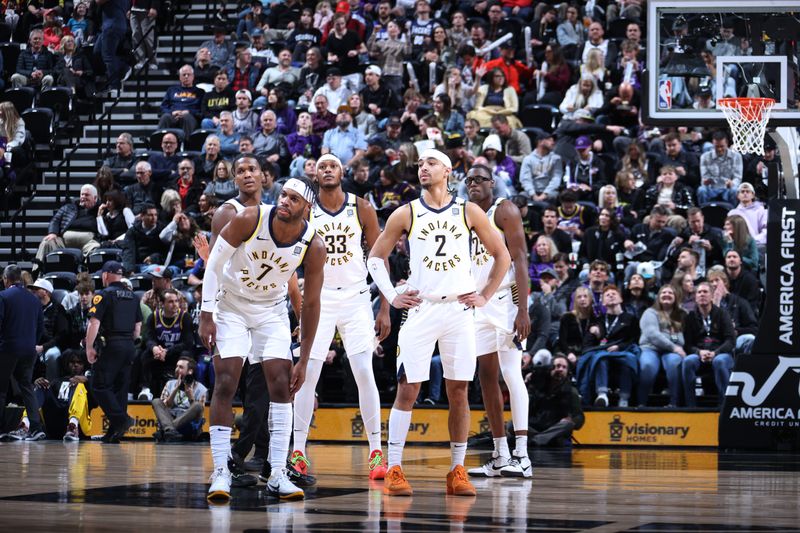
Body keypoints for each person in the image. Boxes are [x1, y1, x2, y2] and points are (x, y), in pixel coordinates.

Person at [366, 148, 511, 497]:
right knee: (408, 389)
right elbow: (375, 258)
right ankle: (395, 468)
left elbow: (502, 255)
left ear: (447, 170)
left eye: (430, 163)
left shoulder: (469, 211)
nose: (422, 168)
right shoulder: (407, 212)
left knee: (458, 391)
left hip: (459, 311)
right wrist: (392, 295)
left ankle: (457, 469)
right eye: (419, 164)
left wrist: (485, 295)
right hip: (421, 309)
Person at [199, 156, 326, 502]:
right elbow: (214, 265)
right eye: (283, 195)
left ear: (307, 208)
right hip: (232, 305)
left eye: (293, 199)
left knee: (282, 384)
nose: (284, 202)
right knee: (226, 380)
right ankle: (221, 470)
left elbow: (312, 304)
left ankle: (277, 473)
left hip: (271, 311)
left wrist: (305, 357)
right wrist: (206, 313)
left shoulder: (314, 246)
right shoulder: (250, 218)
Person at [292, 154, 391, 481]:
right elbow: (291, 259)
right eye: (321, 166)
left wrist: (386, 305)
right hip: (318, 299)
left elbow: (378, 256)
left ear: (342, 171)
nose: (327, 169)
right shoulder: (306, 210)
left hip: (356, 297)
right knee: (307, 373)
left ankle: (377, 452)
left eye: (333, 165)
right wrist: (298, 310)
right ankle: (298, 451)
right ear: (315, 174)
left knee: (364, 371)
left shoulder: (361, 206)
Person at [463, 164, 532, 479]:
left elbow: (520, 259)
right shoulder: (465, 217)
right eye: (468, 180)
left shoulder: (504, 210)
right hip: (478, 304)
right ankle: (500, 453)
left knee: (511, 373)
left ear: (492, 182)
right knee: (486, 378)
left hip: (506, 302)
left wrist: (524, 310)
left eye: (479, 179)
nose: (473, 184)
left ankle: (523, 454)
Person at [85, 260, 143, 443]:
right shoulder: (134, 297)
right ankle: (114, 432)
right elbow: (137, 328)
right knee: (120, 389)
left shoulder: (103, 295)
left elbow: (94, 323)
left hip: (112, 344)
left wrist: (89, 347)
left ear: (106, 275)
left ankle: (121, 420)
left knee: (99, 385)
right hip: (129, 346)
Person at [0, 265, 45, 441]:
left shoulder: (3, 296)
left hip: (7, 349)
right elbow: (40, 328)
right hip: (29, 349)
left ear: (6, 279)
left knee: (1, 390)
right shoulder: (34, 299)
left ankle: (1, 428)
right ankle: (36, 427)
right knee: (27, 386)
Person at [681, 282, 736, 407]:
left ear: (712, 296)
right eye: (699, 292)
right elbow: (687, 344)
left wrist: (715, 353)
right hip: (699, 355)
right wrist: (698, 352)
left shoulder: (723, 314)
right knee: (688, 361)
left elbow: (730, 340)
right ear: (695, 297)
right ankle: (690, 405)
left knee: (719, 361)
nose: (702, 295)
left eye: (705, 292)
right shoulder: (690, 317)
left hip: (721, 353)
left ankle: (725, 406)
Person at [637, 285, 686, 407]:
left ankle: (674, 403)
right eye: (663, 292)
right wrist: (673, 345)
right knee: (647, 365)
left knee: (675, 363)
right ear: (658, 297)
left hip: (671, 352)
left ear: (676, 298)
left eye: (670, 293)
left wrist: (674, 345)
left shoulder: (681, 315)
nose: (667, 294)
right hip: (650, 348)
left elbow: (682, 339)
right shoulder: (650, 312)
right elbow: (653, 335)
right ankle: (641, 403)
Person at [526, 353, 584, 446]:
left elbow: (580, 417)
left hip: (555, 428)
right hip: (536, 426)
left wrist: (572, 420)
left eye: (564, 367)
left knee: (567, 425)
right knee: (511, 425)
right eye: (557, 366)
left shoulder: (571, 391)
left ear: (567, 371)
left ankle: (537, 440)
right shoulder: (538, 385)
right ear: (550, 368)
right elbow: (527, 409)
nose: (560, 369)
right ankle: (543, 439)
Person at [36, 184, 100, 261]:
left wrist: (100, 215)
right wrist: (52, 232)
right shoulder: (68, 207)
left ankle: (90, 273)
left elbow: (104, 229)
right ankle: (38, 270)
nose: (83, 197)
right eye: (82, 194)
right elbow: (55, 220)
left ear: (95, 198)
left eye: (87, 195)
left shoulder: (100, 210)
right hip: (64, 242)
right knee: (46, 242)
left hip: (88, 243)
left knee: (96, 249)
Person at [151, 356, 208, 442]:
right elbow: (165, 406)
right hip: (171, 417)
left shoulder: (201, 388)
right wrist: (174, 390)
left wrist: (191, 398)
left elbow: (199, 413)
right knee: (156, 401)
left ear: (190, 371)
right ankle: (170, 431)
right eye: (177, 366)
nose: (177, 369)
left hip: (188, 423)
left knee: (197, 405)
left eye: (181, 367)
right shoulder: (170, 384)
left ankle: (168, 430)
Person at [29, 278, 69, 383]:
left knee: (53, 355)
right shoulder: (31, 308)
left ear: (46, 292)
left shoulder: (58, 309)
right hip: (32, 344)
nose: (33, 292)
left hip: (50, 345)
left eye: (36, 289)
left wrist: (43, 347)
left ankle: (52, 386)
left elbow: (61, 335)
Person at [158, 65, 205, 140]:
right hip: (173, 115)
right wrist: (172, 112)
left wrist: (188, 112)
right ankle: (160, 145)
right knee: (165, 117)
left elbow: (202, 110)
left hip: (190, 117)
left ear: (193, 76)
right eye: (184, 75)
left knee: (186, 117)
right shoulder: (172, 90)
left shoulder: (200, 92)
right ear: (180, 77)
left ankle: (187, 147)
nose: (186, 76)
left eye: (188, 74)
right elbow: (163, 107)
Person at [698, 131, 742, 206]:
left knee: (735, 190)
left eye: (722, 146)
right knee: (701, 190)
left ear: (727, 143)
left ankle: (734, 214)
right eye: (716, 146)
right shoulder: (704, 157)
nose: (719, 149)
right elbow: (704, 177)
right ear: (713, 143)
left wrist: (732, 183)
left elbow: (738, 177)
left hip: (728, 189)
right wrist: (706, 181)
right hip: (711, 188)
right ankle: (704, 213)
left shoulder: (736, 156)